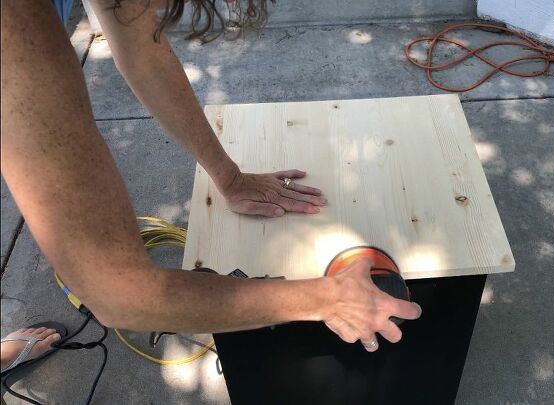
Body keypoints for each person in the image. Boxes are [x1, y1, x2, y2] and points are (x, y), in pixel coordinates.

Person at [0, 0, 421, 374]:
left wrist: (229, 176)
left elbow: (143, 51)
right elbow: (117, 293)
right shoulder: (14, 25)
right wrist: (327, 299)